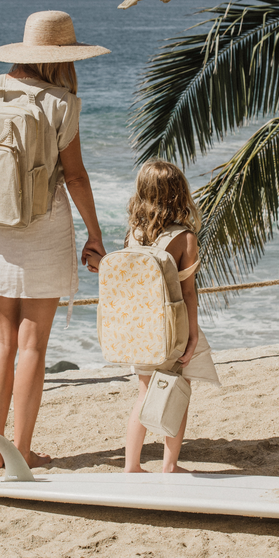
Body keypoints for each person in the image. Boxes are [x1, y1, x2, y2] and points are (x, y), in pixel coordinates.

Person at [0, 10, 109, 470]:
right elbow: (76, 176)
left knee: (1, 341)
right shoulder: (60, 104)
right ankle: (21, 452)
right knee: (32, 344)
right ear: (63, 57)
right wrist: (94, 232)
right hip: (42, 225)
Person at [85, 159, 220, 472]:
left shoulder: (134, 234)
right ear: (179, 194)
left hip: (138, 328)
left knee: (145, 392)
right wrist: (194, 334)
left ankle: (132, 464)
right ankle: (169, 464)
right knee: (176, 390)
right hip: (171, 329)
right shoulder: (185, 238)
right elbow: (188, 293)